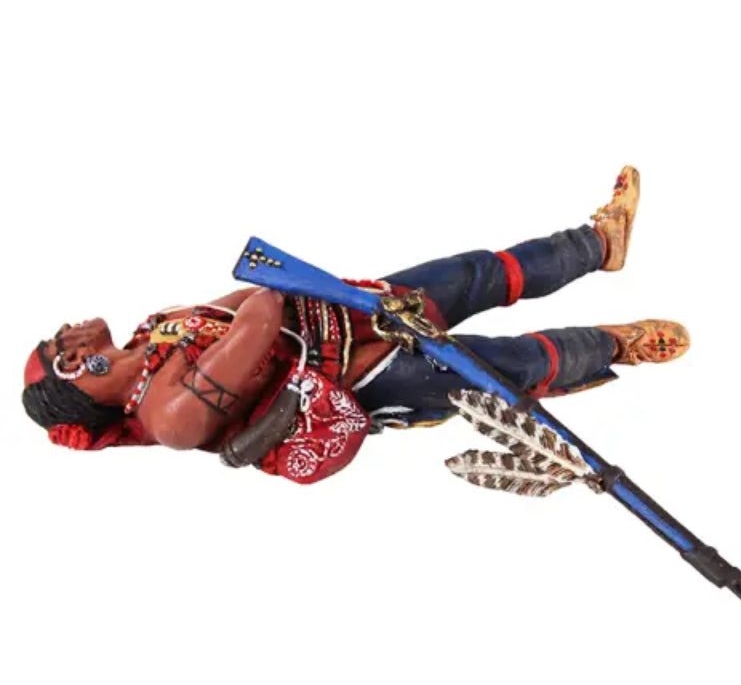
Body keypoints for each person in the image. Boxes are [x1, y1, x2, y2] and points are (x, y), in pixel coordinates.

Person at [21, 166, 689, 484]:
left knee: (475, 273)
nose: (69, 330)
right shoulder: (170, 415)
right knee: (506, 368)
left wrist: (300, 297)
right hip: (365, 372)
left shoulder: (153, 332)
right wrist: (271, 298)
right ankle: (617, 345)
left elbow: (246, 302)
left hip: (348, 310)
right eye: (60, 345)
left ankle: (596, 244)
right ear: (74, 368)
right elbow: (258, 317)